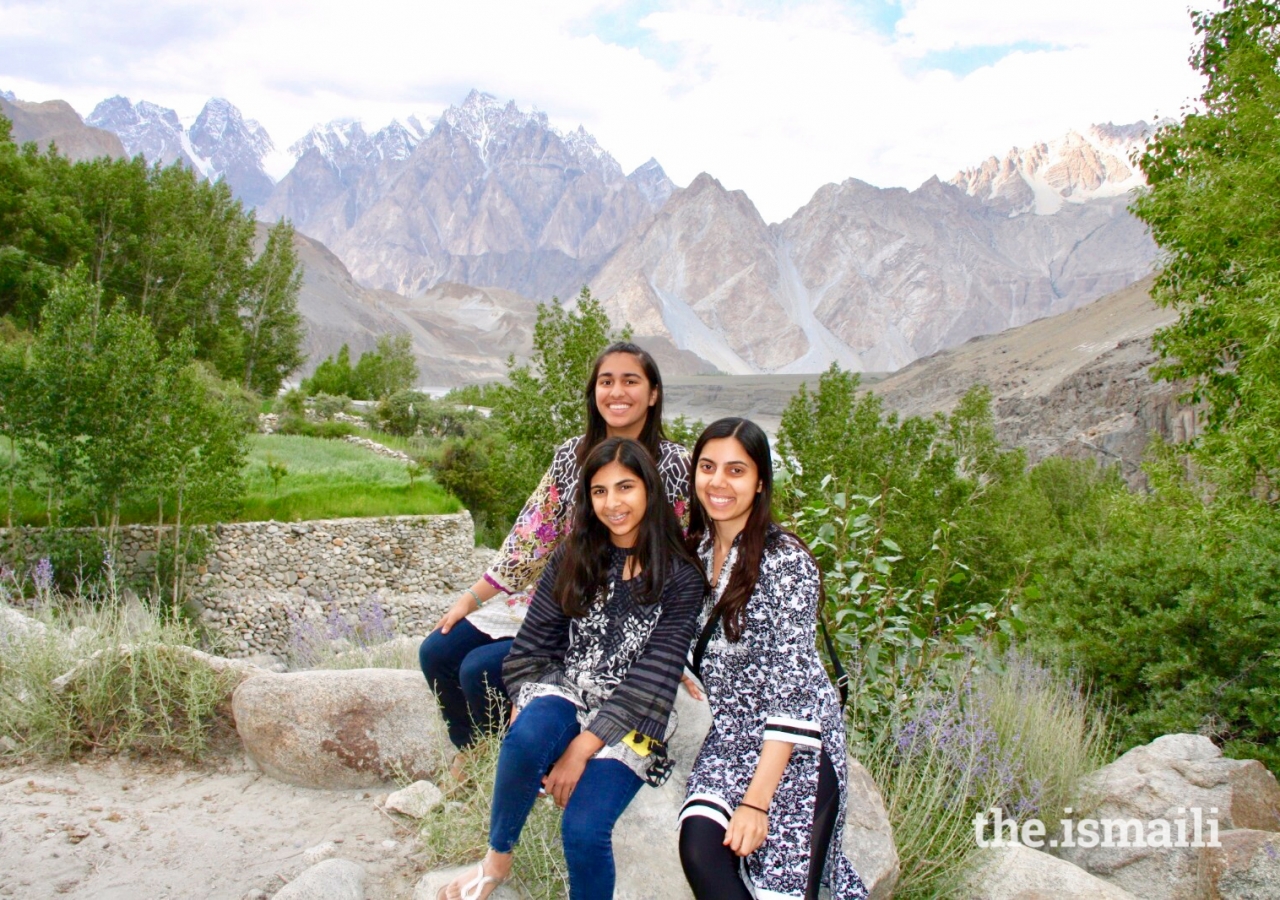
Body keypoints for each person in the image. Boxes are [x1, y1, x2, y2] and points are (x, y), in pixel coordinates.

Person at [437, 437, 706, 900]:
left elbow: (656, 676)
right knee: (524, 736)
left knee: (583, 830)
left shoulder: (680, 576)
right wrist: (528, 701)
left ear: (650, 491)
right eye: (599, 491)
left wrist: (580, 749)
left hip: (633, 718)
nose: (612, 503)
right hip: (569, 686)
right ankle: (495, 861)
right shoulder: (572, 555)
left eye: (625, 488)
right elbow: (534, 644)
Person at [419, 342, 690, 758]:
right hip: (555, 597)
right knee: (437, 650)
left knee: (479, 670)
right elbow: (532, 536)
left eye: (630, 381)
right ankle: (473, 752)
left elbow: (689, 554)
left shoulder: (673, 465)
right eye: (606, 381)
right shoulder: (572, 455)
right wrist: (471, 599)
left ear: (653, 394)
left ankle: (509, 757)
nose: (617, 392)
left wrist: (682, 646)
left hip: (612, 618)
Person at [678, 418, 867, 900]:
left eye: (736, 470)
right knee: (700, 848)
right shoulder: (695, 550)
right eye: (707, 467)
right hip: (730, 734)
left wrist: (756, 804)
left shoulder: (785, 564)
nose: (718, 482)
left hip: (794, 742)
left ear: (760, 482)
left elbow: (791, 689)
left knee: (784, 887)